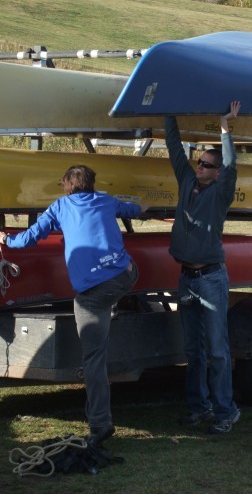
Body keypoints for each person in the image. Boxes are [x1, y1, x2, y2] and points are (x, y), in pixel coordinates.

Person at [0, 164, 148, 446]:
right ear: (92, 183)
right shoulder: (105, 200)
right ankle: (112, 303)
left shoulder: (59, 207)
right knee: (115, 284)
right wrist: (147, 203)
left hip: (92, 294)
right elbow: (135, 210)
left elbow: (31, 237)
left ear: (65, 185)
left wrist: (7, 239)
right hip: (123, 276)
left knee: (93, 360)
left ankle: (100, 425)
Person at [165, 101, 241, 434]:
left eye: (207, 164)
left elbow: (232, 164)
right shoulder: (186, 180)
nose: (199, 166)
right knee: (193, 350)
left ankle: (226, 412)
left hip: (210, 278)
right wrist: (169, 110)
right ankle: (199, 406)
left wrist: (225, 126)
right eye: (199, 161)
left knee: (217, 350)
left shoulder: (221, 193)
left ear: (217, 172)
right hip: (187, 278)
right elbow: (174, 148)